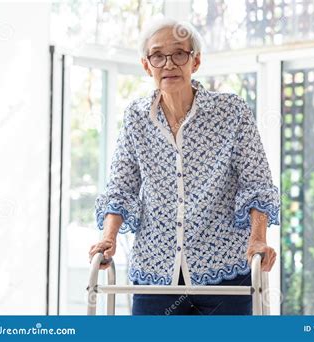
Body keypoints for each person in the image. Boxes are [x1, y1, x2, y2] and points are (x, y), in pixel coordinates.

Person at [88, 17, 280, 315]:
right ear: (146, 65)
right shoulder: (136, 118)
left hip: (224, 270)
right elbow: (121, 187)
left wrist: (258, 239)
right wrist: (108, 239)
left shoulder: (231, 112)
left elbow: (257, 184)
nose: (169, 64)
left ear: (196, 61)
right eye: (157, 56)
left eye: (179, 54)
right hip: (155, 272)